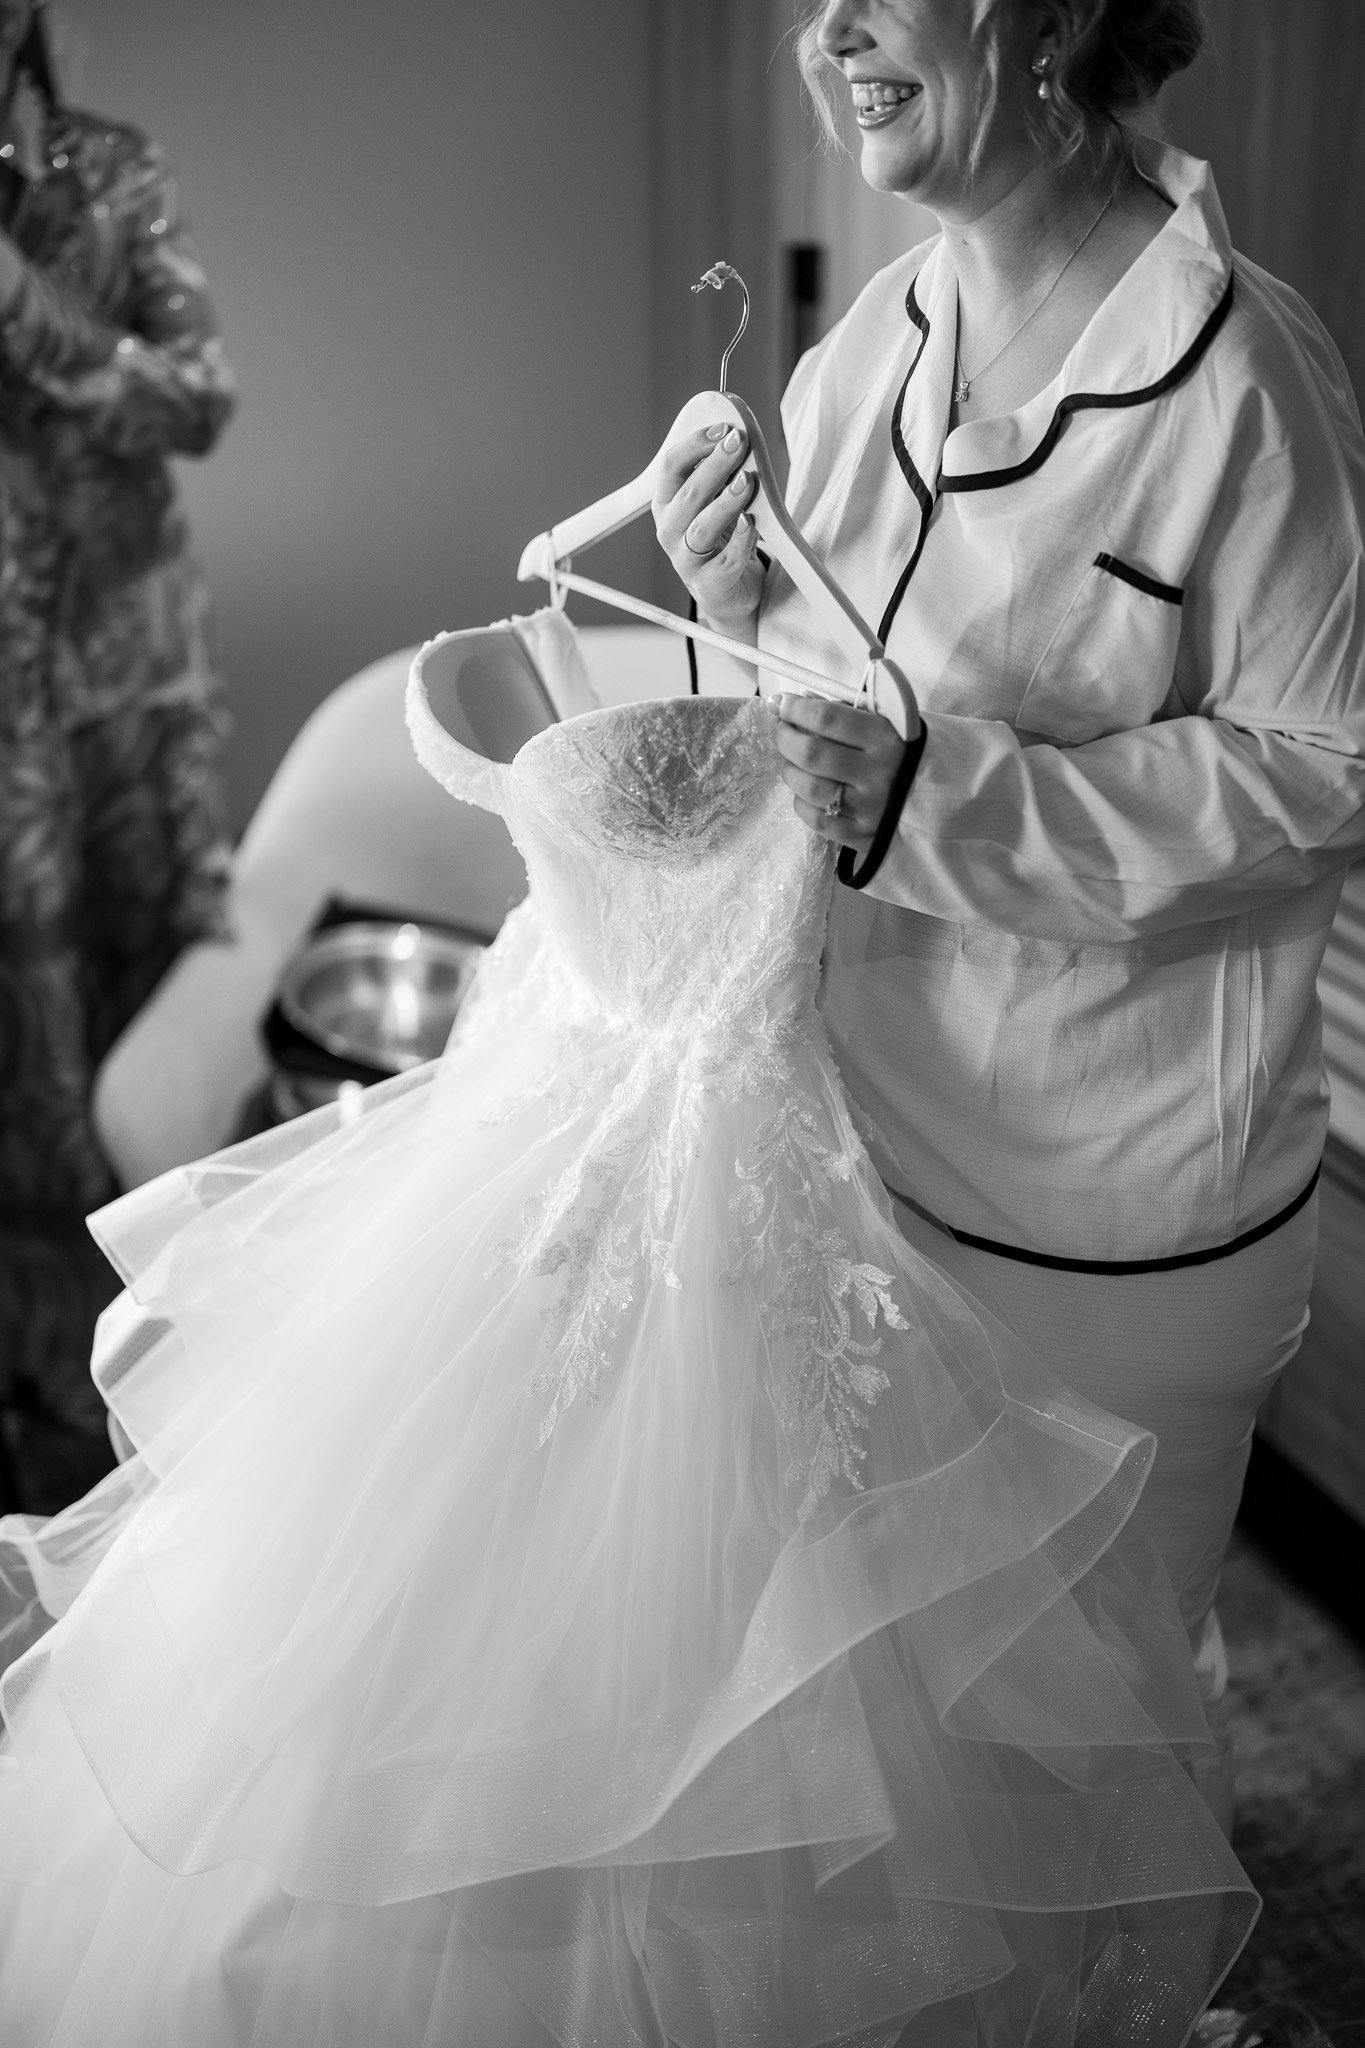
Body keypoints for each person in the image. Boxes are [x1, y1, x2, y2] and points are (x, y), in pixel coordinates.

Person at [656, 0, 1365, 1839]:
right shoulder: (862, 348)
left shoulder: (1245, 379)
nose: (827, 28)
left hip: (1109, 1210)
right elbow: (800, 724)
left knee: (1085, 1738)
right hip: (864, 1152)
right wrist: (724, 598)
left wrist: (955, 803)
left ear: (1049, 12)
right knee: (889, 1733)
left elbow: (1328, 766)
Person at [0, 0, 236, 1510]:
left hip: (128, 700)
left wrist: (28, 308)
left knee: (147, 1057)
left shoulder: (109, 177)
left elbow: (199, 397)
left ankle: (143, 1449)